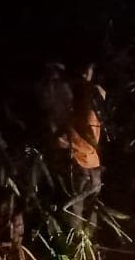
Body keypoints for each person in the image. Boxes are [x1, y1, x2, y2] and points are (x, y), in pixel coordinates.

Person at [42, 62, 106, 220]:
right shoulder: (72, 93)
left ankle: (83, 237)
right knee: (81, 203)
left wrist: (65, 140)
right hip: (83, 162)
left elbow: (76, 135)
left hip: (84, 162)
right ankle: (82, 237)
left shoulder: (85, 98)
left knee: (82, 203)